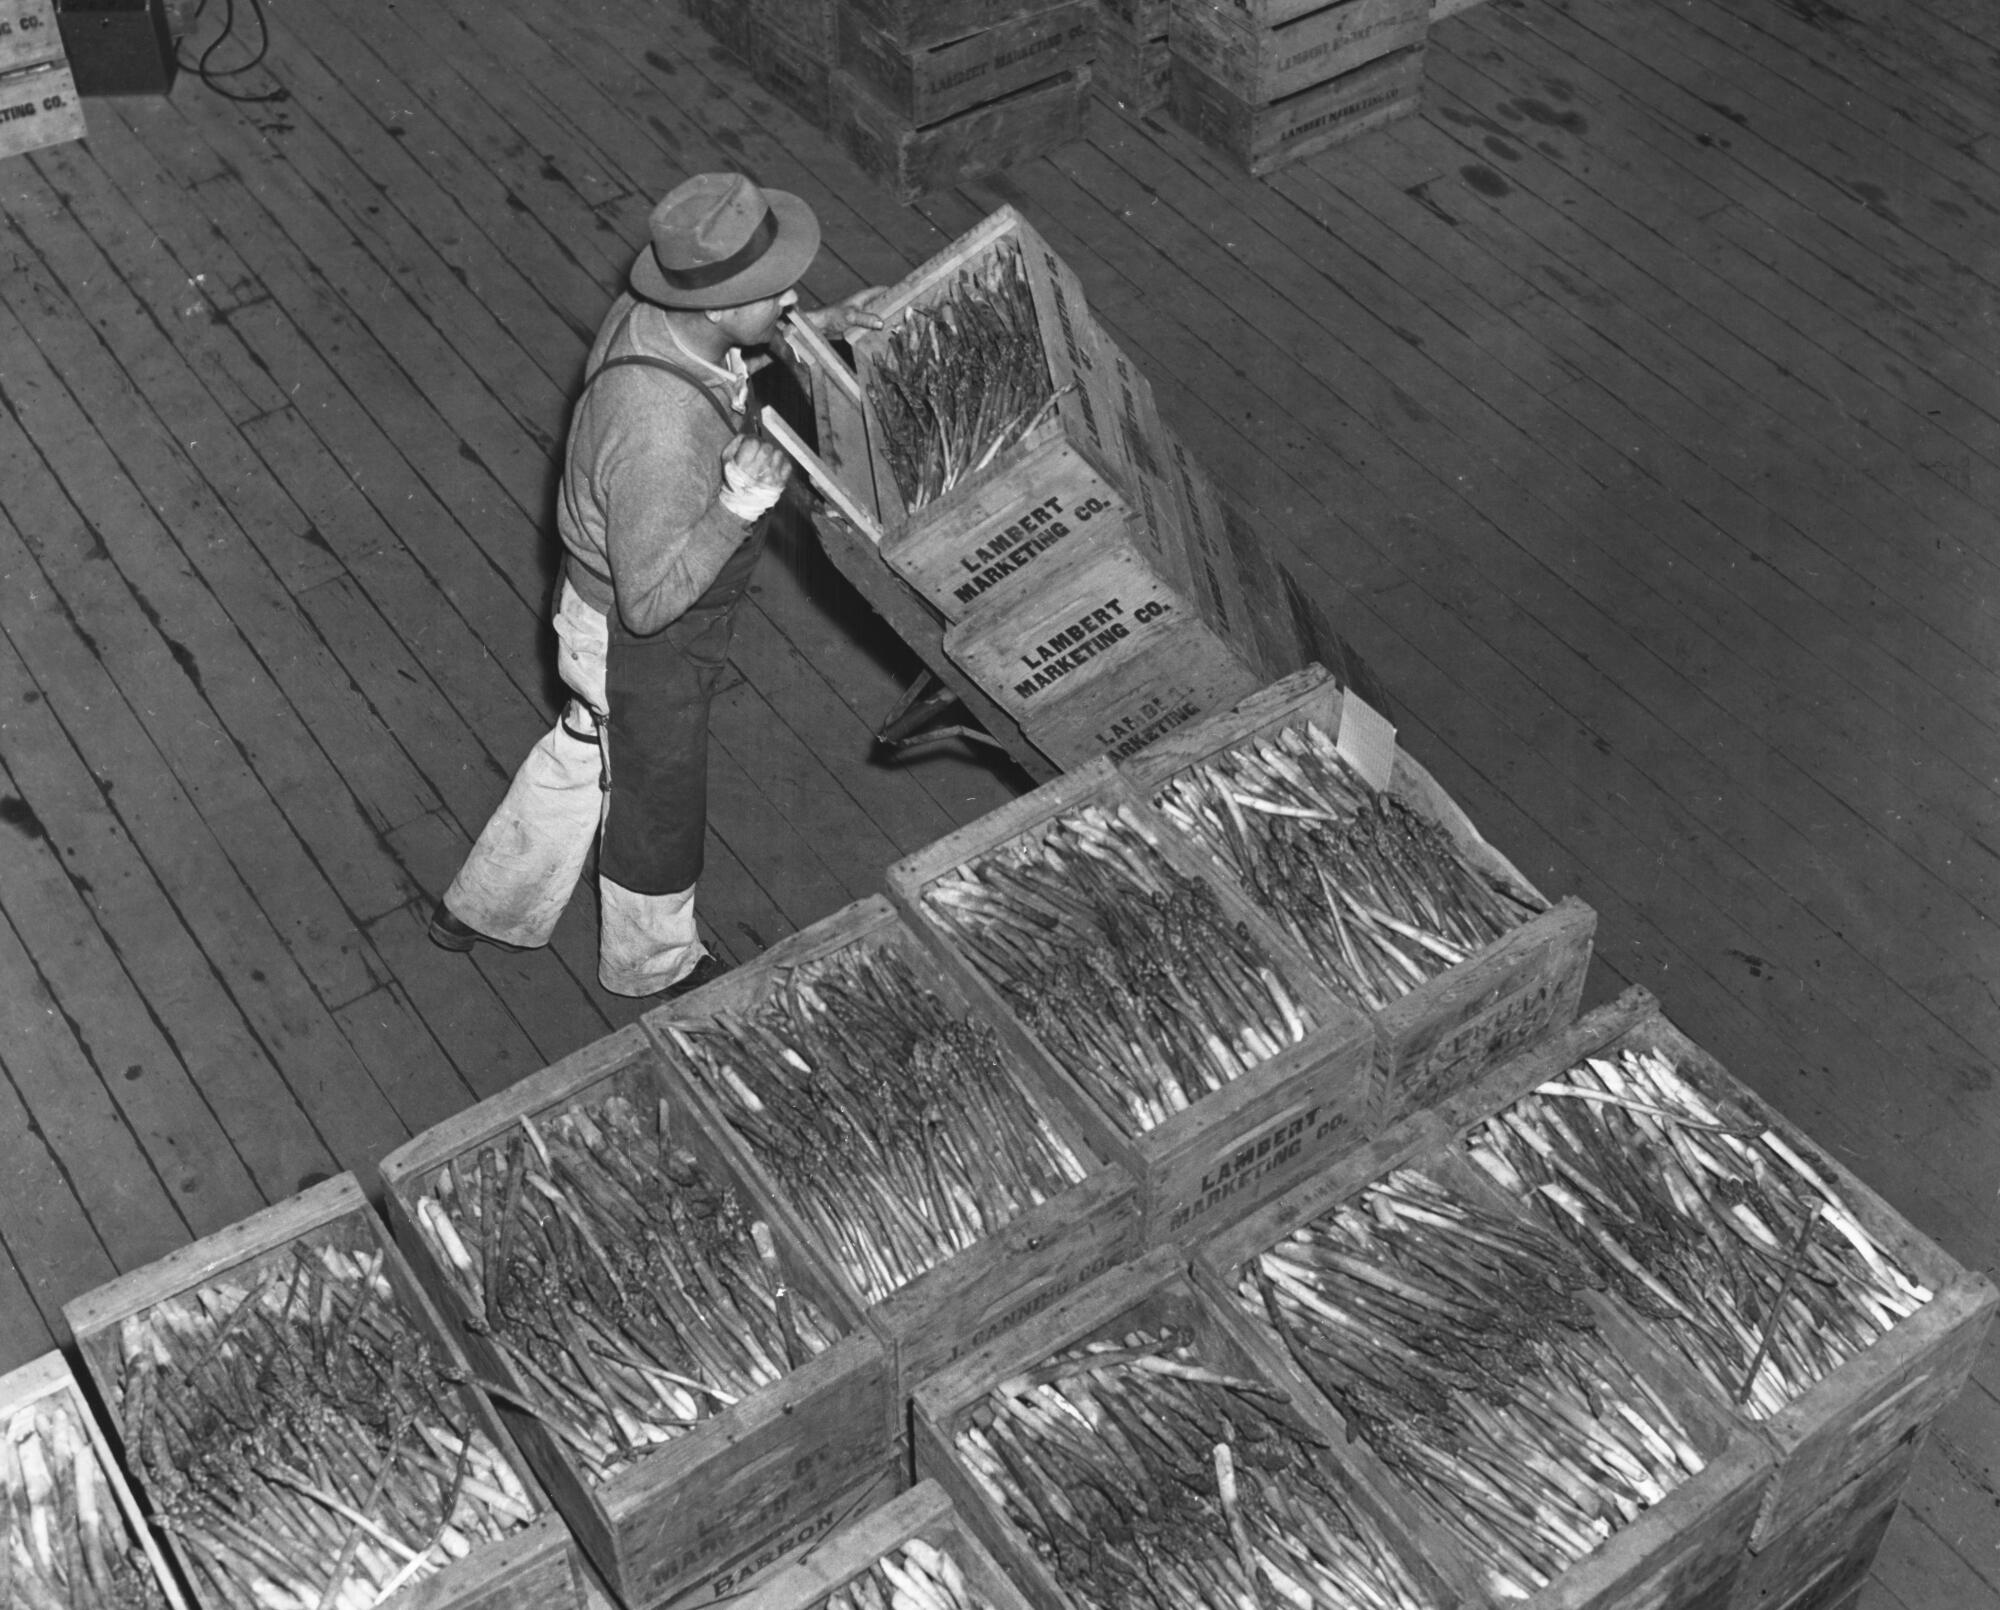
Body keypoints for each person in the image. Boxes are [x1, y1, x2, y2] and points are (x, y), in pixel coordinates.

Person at [428, 172, 882, 997]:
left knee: (585, 748)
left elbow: (732, 351)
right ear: (714, 304)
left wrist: (811, 331)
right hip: (628, 633)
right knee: (656, 795)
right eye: (773, 291)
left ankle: (485, 904)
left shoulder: (659, 317)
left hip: (592, 612)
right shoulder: (661, 431)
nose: (791, 294)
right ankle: (655, 967)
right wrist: (738, 503)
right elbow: (649, 605)